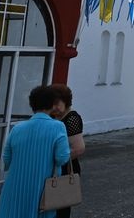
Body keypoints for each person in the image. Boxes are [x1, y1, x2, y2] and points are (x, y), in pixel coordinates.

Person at [0, 85, 71, 218]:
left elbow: (7, 158)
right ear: (52, 104)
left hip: (15, 186)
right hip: (43, 188)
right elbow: (62, 158)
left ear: (32, 104)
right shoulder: (58, 127)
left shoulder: (17, 128)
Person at [50, 84, 85, 218]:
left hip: (66, 168)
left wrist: (56, 160)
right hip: (54, 167)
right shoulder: (53, 117)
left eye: (57, 104)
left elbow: (78, 149)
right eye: (51, 104)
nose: (54, 108)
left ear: (66, 101)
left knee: (61, 207)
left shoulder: (72, 119)